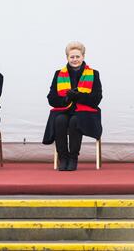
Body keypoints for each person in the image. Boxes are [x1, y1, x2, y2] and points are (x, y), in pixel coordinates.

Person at [42, 42, 102, 171]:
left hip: (85, 112)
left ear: (83, 56)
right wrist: (66, 98)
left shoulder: (94, 73)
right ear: (67, 58)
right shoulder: (59, 74)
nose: (75, 60)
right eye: (72, 57)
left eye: (77, 57)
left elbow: (97, 99)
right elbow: (51, 98)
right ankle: (63, 158)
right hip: (65, 110)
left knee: (76, 120)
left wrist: (79, 96)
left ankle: (73, 157)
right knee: (60, 120)